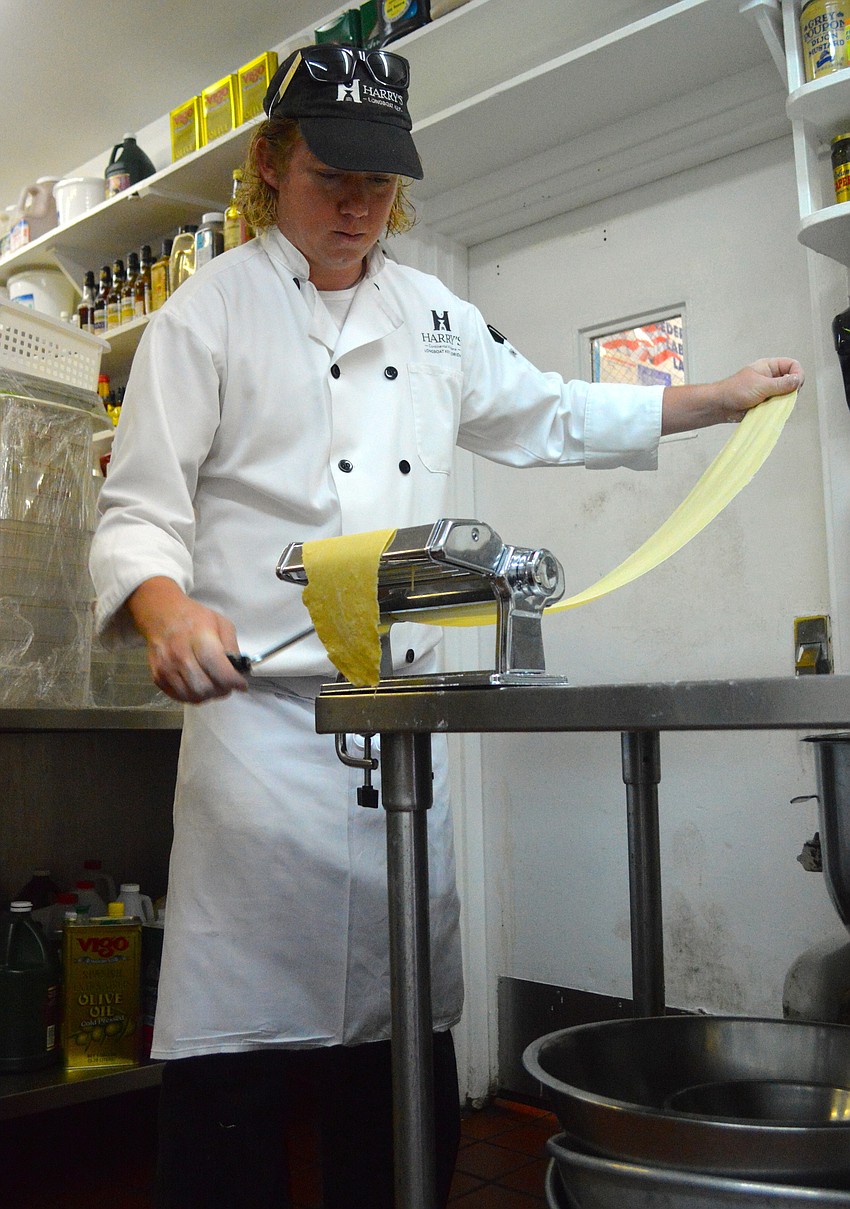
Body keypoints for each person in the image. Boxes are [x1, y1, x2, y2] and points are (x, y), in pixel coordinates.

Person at [89, 43, 804, 1209]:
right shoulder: (203, 317)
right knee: (239, 1075)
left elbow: (556, 411)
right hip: (261, 733)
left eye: (379, 183)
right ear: (272, 166)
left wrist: (714, 396)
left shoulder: (430, 313)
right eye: (331, 178)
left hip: (396, 739)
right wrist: (167, 611)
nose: (358, 206)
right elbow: (139, 512)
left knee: (399, 1056)